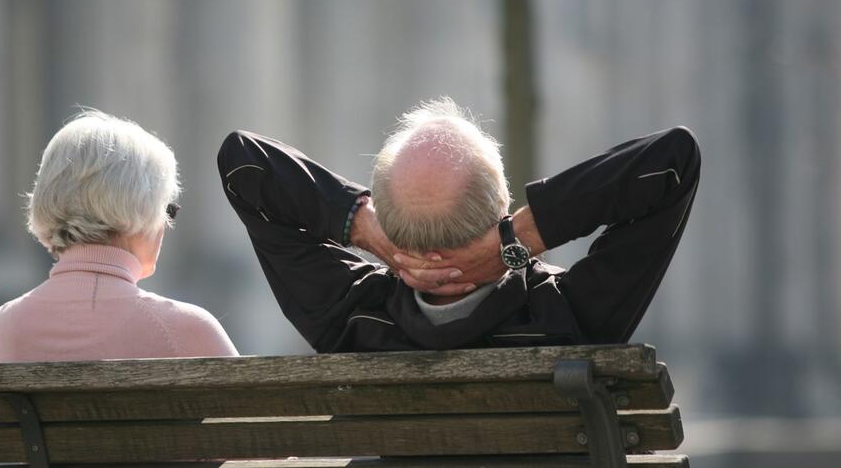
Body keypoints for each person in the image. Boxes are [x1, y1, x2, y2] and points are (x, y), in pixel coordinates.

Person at [218, 98, 700, 353]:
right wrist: (517, 241)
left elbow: (245, 166)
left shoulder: (349, 320)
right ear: (503, 203)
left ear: (391, 222)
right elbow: (673, 162)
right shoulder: (571, 316)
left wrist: (366, 230)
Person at [0, 110, 238, 362]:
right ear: (143, 207)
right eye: (167, 209)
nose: (166, 224)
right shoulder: (186, 327)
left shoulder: (4, 325)